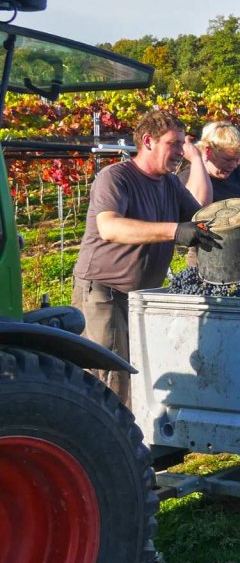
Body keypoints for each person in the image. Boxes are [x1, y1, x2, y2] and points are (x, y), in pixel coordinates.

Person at [72, 110, 218, 406]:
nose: (180, 151)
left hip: (141, 296)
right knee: (110, 379)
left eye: (182, 144)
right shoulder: (116, 177)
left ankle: (130, 430)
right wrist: (174, 230)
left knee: (140, 371)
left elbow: (199, 216)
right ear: (148, 141)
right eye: (173, 144)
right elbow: (109, 227)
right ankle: (104, 434)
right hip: (104, 291)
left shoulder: (171, 184)